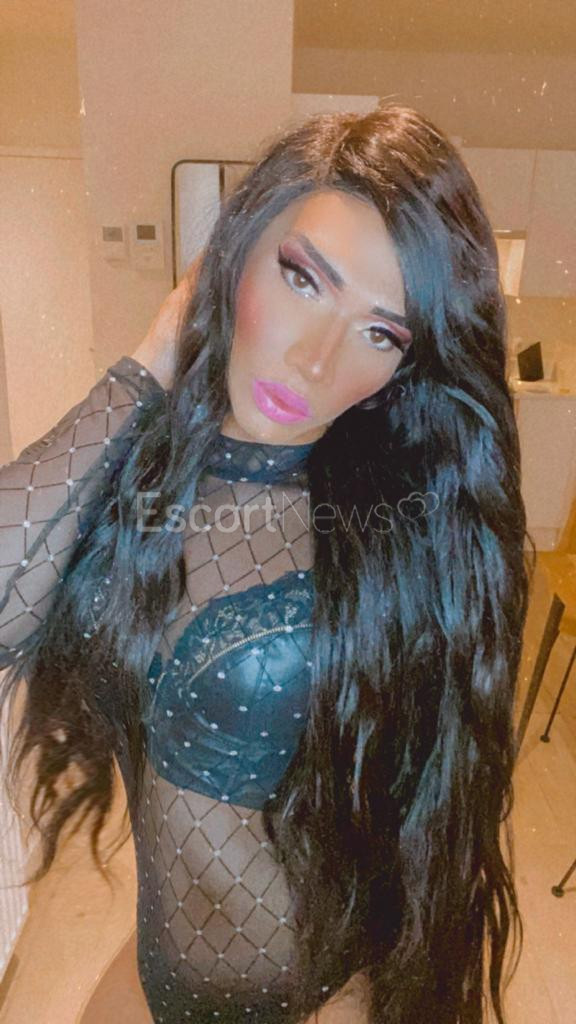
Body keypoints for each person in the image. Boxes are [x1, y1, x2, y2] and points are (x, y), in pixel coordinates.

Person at [0, 102, 532, 1024]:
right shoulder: (141, 473)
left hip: (309, 995)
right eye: (302, 278)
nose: (317, 360)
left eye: (382, 333)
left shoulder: (397, 532)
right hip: (154, 975)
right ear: (235, 252)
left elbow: (420, 828)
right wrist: (156, 352)